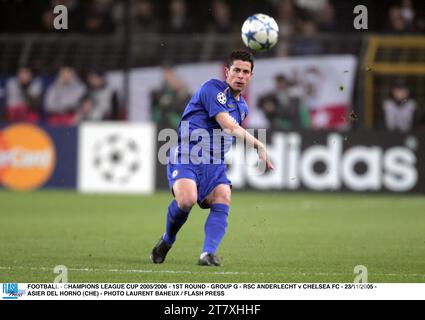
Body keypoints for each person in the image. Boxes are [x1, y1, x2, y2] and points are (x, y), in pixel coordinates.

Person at [150, 50, 274, 266]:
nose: (241, 75)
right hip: (188, 155)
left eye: (246, 72)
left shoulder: (242, 108)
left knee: (223, 196)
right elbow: (227, 125)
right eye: (237, 70)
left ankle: (207, 254)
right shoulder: (212, 88)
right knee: (187, 200)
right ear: (227, 71)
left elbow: (228, 135)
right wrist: (258, 144)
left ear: (251, 77)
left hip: (214, 163)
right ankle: (167, 240)